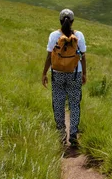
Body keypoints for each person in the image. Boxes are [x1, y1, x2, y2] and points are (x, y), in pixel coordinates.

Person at [42, 9, 87, 146]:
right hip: (75, 74)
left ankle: (61, 133)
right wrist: (84, 73)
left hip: (57, 74)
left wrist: (44, 73)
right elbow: (83, 56)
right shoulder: (79, 35)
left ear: (60, 20)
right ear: (72, 21)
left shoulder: (54, 35)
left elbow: (49, 56)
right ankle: (73, 134)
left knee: (58, 103)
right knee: (74, 104)